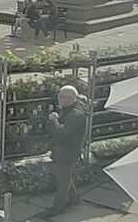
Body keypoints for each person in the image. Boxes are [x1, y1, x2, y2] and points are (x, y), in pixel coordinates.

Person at [46, 85, 87, 215]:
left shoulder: (76, 114)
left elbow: (61, 133)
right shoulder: (67, 110)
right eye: (59, 95)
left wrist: (54, 119)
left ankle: (58, 207)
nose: (59, 98)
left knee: (63, 180)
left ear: (70, 98)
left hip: (68, 153)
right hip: (62, 151)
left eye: (61, 96)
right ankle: (74, 199)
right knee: (64, 176)